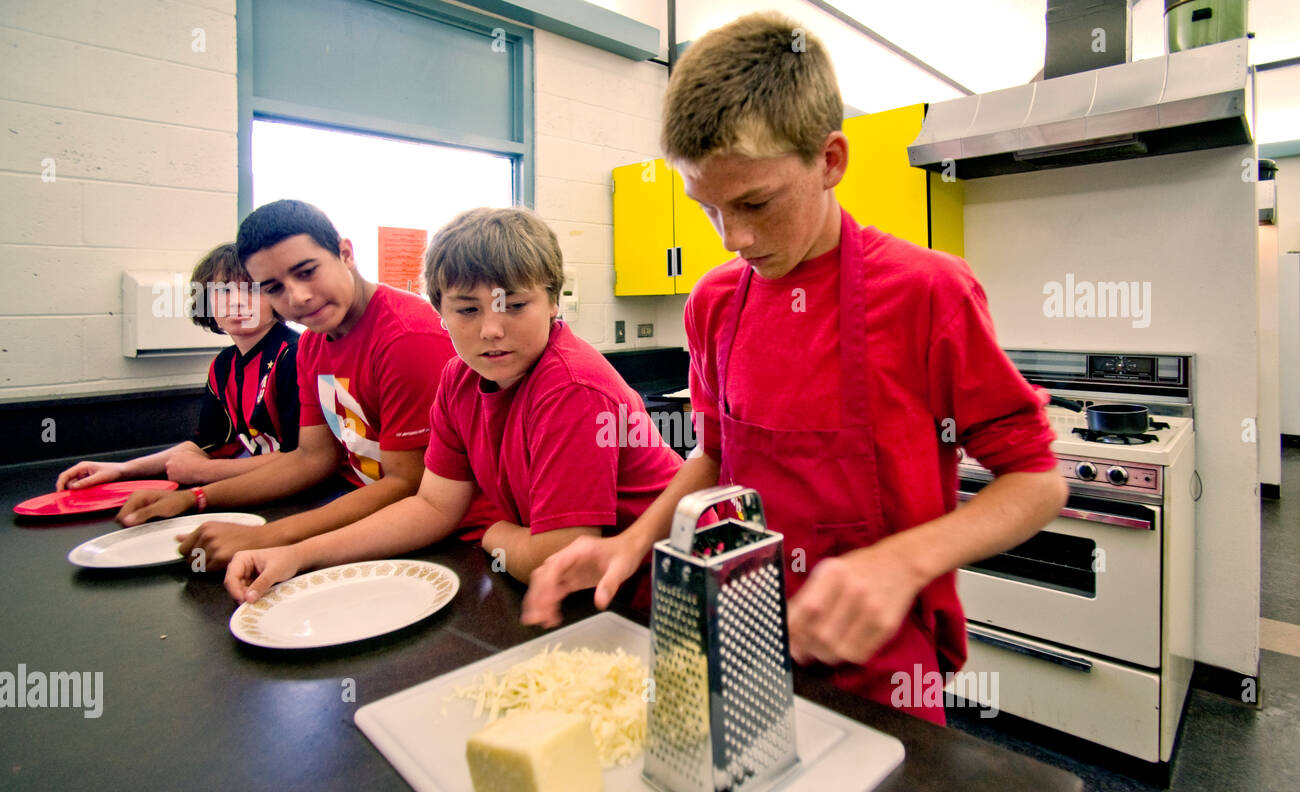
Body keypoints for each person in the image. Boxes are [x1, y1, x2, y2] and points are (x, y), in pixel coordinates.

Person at [521, 13, 1068, 725]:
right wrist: (631, 542)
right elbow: (714, 455)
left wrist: (901, 563)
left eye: (756, 203)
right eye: (708, 208)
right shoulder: (716, 303)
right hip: (741, 635)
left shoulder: (929, 294)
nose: (735, 238)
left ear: (831, 160)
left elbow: (1037, 482)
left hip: (881, 664)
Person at [223, 207, 684, 604]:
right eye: (467, 310)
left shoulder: (571, 389)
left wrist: (492, 531)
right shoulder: (459, 379)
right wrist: (299, 554)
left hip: (657, 594)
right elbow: (433, 506)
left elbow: (563, 565)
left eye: (516, 305)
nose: (491, 330)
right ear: (440, 313)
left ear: (553, 304)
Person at [117, 199, 489, 568]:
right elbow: (312, 459)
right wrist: (196, 499)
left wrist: (267, 538)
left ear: (345, 253)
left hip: (452, 540)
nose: (297, 297)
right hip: (358, 512)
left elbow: (406, 485)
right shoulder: (311, 344)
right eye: (274, 288)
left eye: (308, 271)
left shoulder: (406, 338)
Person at [56, 243, 299, 491]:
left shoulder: (294, 356)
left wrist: (206, 471)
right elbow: (207, 443)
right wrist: (121, 469)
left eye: (251, 289)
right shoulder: (223, 366)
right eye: (224, 290)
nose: (236, 301)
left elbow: (302, 459)